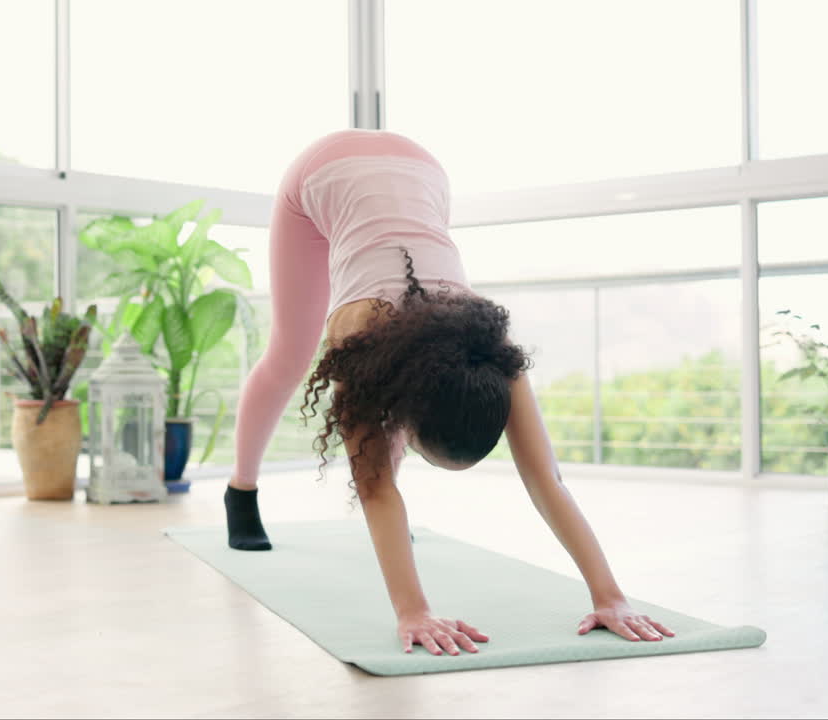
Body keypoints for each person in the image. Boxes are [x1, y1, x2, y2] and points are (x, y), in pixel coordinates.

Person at [223, 129, 674, 656]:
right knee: (290, 354)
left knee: (376, 405)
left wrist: (610, 596)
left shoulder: (493, 351)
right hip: (322, 172)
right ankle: (241, 492)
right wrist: (413, 611)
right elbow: (374, 487)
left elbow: (545, 477)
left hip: (421, 170)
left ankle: (384, 535)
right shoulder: (355, 330)